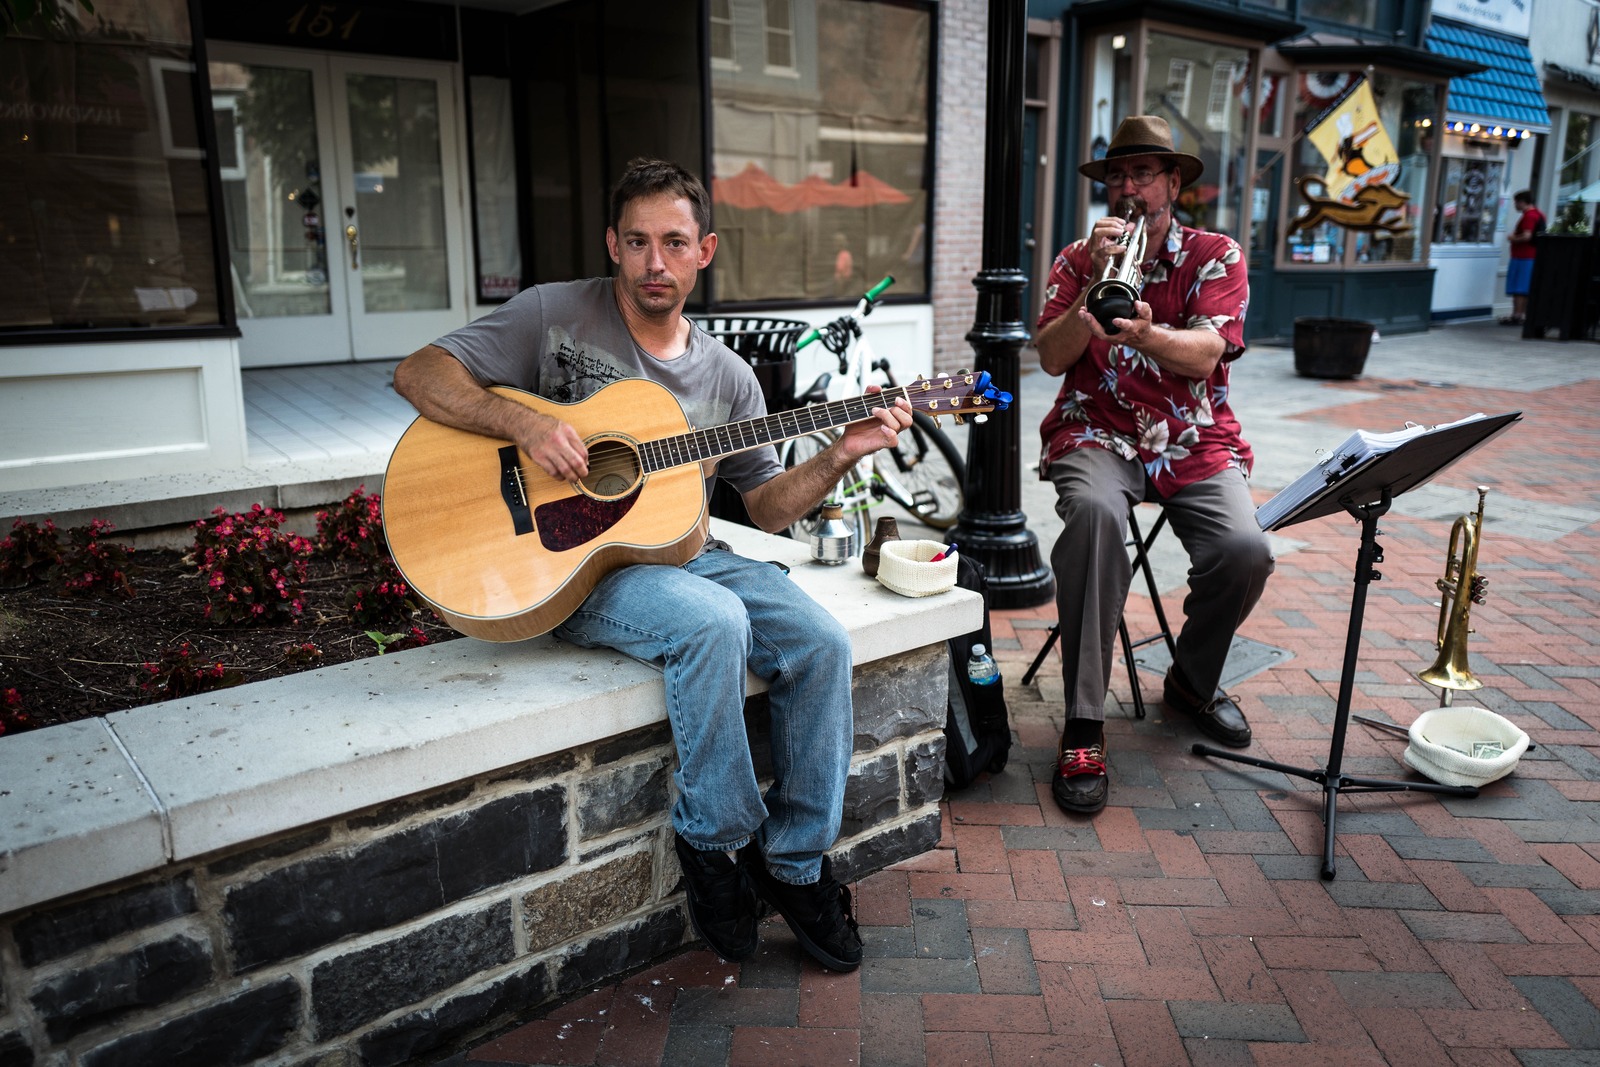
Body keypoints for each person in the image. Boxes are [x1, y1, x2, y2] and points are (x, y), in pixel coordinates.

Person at [392, 158, 912, 971]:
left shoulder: (729, 377)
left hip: (688, 554)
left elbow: (766, 507)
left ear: (706, 250)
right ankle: (714, 841)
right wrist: (522, 425)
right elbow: (418, 372)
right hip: (577, 570)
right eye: (636, 242)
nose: (654, 262)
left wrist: (841, 453)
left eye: (673, 242)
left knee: (822, 641)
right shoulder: (553, 314)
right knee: (714, 622)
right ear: (613, 244)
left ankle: (797, 864)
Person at [1032, 116, 1274, 816]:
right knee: (1095, 517)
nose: (1128, 187)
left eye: (1143, 174)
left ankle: (1192, 682)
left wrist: (1144, 334)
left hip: (1192, 436)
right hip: (1095, 429)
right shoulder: (1076, 259)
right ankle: (1083, 722)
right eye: (1117, 174)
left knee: (1246, 550)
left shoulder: (1215, 255)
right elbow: (1051, 358)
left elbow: (1207, 354)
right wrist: (1093, 282)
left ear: (1173, 183)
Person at [1502, 190, 1544, 326]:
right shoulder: (1539, 214)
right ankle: (1522, 315)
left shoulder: (1529, 216)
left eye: (1516, 202)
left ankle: (1517, 315)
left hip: (1523, 256)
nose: (1515, 205)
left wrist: (1513, 238)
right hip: (1531, 256)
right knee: (1524, 288)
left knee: (1519, 288)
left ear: (1522, 202)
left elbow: (1527, 236)